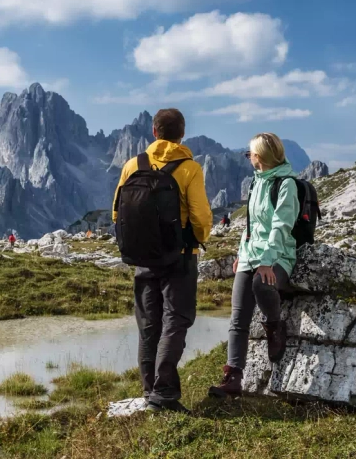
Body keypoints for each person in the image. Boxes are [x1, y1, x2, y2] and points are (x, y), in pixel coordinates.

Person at [112, 108, 212, 413]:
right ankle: (164, 394)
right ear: (182, 134)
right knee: (176, 320)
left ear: (154, 132)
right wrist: (200, 238)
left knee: (148, 324)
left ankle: (148, 390)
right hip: (179, 257)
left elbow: (118, 211)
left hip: (143, 258)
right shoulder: (189, 168)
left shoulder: (132, 165)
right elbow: (200, 216)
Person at [208, 132, 298, 399]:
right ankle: (233, 377)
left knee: (262, 284)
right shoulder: (256, 183)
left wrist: (267, 261)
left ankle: (274, 326)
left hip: (279, 254)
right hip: (250, 255)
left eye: (249, 154)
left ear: (258, 156)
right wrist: (241, 254)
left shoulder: (286, 184)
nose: (248, 158)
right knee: (238, 318)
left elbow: (281, 226)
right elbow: (250, 226)